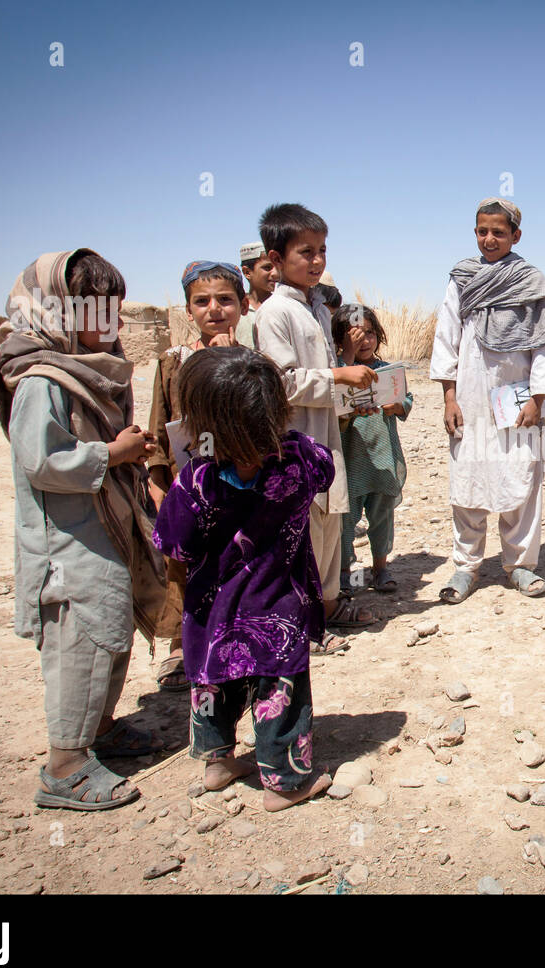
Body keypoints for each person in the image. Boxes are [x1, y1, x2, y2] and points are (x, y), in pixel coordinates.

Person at [0, 249, 165, 811]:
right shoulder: (42, 380)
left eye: (114, 308)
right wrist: (112, 454)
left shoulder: (91, 372)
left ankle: (102, 728)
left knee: (110, 628)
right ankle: (64, 765)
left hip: (102, 532)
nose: (110, 321)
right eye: (96, 309)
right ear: (57, 310)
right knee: (79, 640)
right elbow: (41, 460)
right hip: (68, 543)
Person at [152, 346, 335, 810]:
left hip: (210, 609)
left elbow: (174, 543)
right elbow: (327, 471)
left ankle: (217, 762)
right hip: (276, 605)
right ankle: (283, 782)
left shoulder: (195, 480)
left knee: (214, 679)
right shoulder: (299, 459)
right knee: (280, 688)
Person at [253, 202, 379, 652]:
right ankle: (301, 624)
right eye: (305, 252)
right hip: (294, 442)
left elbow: (323, 379)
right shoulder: (275, 314)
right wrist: (338, 378)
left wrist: (352, 401)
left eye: (322, 250)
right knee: (300, 529)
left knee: (327, 522)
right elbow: (282, 383)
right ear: (275, 258)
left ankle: (325, 608)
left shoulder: (320, 310)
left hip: (326, 438)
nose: (317, 260)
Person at [430, 197, 545, 603]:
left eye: (498, 232)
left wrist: (537, 399)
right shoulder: (462, 278)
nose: (489, 239)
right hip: (468, 393)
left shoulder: (530, 281)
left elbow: (543, 345)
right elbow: (446, 336)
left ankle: (520, 565)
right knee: (468, 477)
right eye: (482, 231)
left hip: (517, 397)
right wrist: (449, 396)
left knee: (521, 476)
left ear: (515, 235)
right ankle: (465, 568)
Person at [145, 260, 247, 690]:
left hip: (237, 482)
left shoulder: (251, 361)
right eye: (202, 301)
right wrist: (155, 483)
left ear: (242, 305)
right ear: (188, 311)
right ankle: (178, 646)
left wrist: (227, 361)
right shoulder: (172, 362)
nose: (214, 309)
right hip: (186, 484)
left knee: (235, 561)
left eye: (225, 300)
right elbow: (157, 426)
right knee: (182, 564)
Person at [331, 303, 413, 593]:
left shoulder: (387, 371)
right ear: (339, 338)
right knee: (345, 523)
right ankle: (346, 573)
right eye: (353, 335)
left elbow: (406, 400)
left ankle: (380, 569)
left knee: (381, 517)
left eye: (368, 333)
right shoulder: (339, 373)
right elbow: (334, 401)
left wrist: (397, 405)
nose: (362, 341)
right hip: (351, 459)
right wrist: (348, 357)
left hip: (381, 457)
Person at [235, 242, 278, 348]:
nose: (275, 273)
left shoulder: (283, 305)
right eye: (267, 267)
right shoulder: (235, 309)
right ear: (247, 272)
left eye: (278, 267)